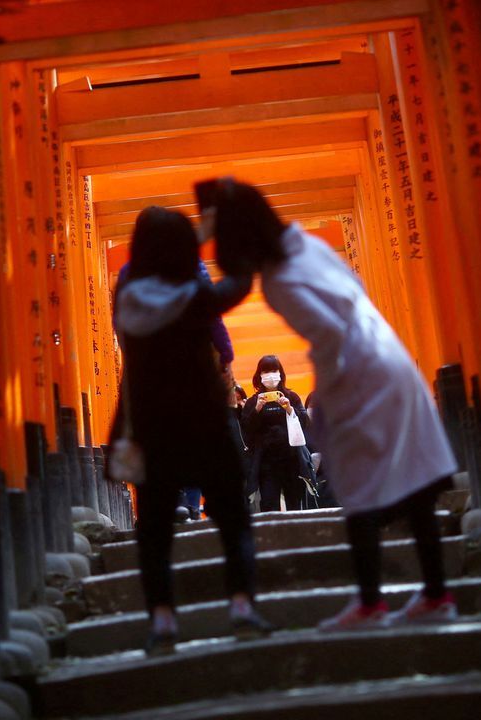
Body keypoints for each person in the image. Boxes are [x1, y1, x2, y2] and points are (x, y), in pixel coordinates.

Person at [209, 179, 459, 630]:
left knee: (358, 489)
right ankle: (437, 593)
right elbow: (354, 291)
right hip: (391, 355)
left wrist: (325, 401)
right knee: (417, 485)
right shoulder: (308, 245)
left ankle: (369, 602)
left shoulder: (279, 281)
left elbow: (328, 334)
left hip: (359, 374)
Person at [110, 206, 271, 654]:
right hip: (203, 416)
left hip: (149, 420)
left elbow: (124, 337)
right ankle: (241, 607)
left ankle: (162, 622)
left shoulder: (127, 287)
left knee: (156, 526)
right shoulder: (191, 290)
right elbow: (236, 286)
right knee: (232, 516)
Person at [113, 258, 234, 523]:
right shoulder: (192, 266)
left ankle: (171, 504)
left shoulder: (130, 271)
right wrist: (225, 353)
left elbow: (120, 320)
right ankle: (190, 506)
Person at [241, 355, 312, 513]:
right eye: (266, 371)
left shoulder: (291, 397)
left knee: (295, 506)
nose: (270, 375)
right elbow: (246, 430)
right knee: (268, 506)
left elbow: (305, 423)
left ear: (280, 373)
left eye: (274, 370)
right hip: (266, 464)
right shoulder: (253, 402)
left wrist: (289, 409)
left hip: (291, 460)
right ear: (260, 375)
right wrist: (257, 410)